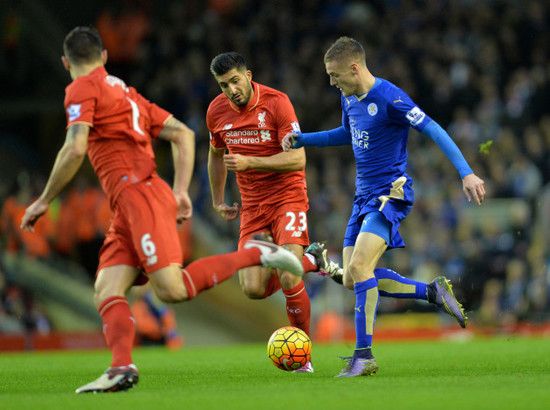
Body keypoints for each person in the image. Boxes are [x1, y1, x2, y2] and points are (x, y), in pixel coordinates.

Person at [20, 26, 303, 394]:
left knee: (172, 289)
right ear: (104, 57)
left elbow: (75, 147)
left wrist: (44, 199)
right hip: (129, 204)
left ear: (65, 62)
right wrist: (181, 192)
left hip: (139, 195)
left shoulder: (80, 88)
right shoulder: (126, 93)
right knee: (106, 289)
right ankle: (121, 367)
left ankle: (255, 253)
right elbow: (183, 134)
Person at [282, 36, 486, 377]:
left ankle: (364, 357)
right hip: (362, 198)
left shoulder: (390, 97)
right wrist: (305, 139)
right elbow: (346, 134)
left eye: (334, 75)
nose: (331, 82)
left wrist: (466, 172)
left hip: (390, 194)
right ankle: (432, 291)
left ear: (354, 67)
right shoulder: (348, 98)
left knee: (359, 269)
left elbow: (433, 127)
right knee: (351, 278)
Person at [207, 52, 320, 373]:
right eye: (223, 85)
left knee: (287, 274)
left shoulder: (277, 103)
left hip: (287, 198)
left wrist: (250, 161)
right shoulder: (215, 112)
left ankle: (303, 358)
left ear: (248, 75)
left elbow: (298, 159)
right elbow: (216, 155)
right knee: (253, 289)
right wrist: (218, 198)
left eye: (235, 81)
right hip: (253, 208)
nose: (231, 90)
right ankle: (312, 261)